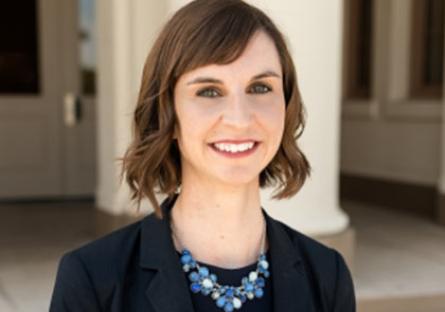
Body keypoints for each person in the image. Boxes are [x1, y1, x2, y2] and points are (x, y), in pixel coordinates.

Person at [50, 0, 356, 311]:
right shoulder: (92, 279)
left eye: (261, 88)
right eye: (209, 91)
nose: (239, 119)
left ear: (286, 105)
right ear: (168, 114)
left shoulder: (327, 275)